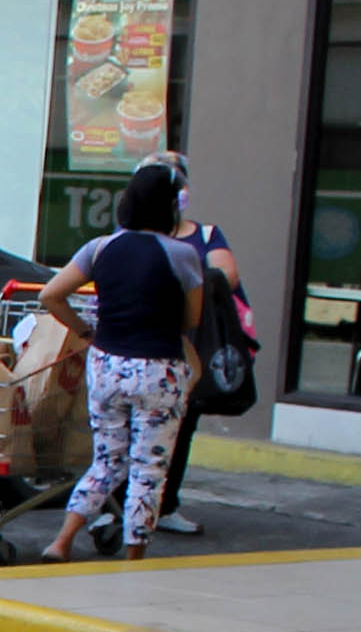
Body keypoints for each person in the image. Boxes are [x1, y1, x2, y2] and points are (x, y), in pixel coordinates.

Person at [35, 162, 205, 566]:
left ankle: (61, 541)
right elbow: (193, 319)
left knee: (107, 459)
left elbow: (50, 295)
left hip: (107, 365)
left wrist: (86, 330)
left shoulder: (100, 248)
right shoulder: (183, 254)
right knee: (148, 467)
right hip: (158, 370)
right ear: (169, 208)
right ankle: (135, 553)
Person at [144, 151, 248, 537]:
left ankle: (165, 504)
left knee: (180, 427)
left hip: (191, 347)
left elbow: (227, 276)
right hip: (144, 345)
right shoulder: (130, 238)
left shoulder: (205, 236)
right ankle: (121, 507)